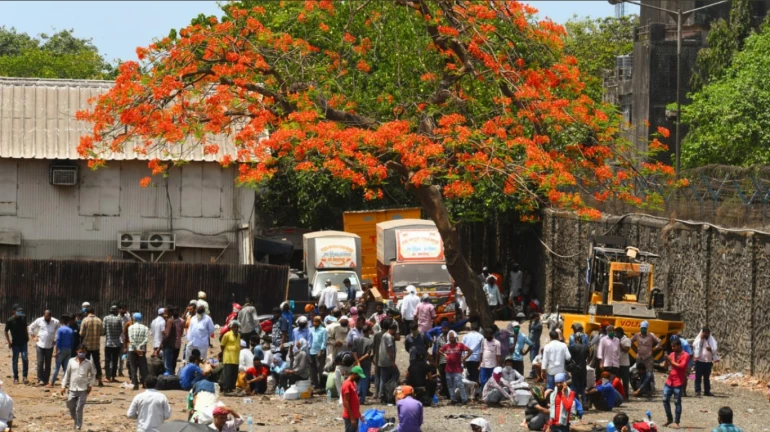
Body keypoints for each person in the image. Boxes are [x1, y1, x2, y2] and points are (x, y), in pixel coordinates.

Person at [61, 345, 96, 431]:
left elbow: (93, 374)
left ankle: (78, 426)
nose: (82, 353)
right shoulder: (71, 361)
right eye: (80, 352)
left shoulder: (89, 363)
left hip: (83, 389)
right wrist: (63, 386)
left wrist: (90, 385)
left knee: (79, 408)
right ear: (77, 351)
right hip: (72, 388)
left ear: (86, 353)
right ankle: (76, 420)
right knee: (70, 406)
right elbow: (67, 374)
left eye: (83, 352)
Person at [663, 337, 690, 429]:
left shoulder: (685, 355)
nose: (673, 348)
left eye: (674, 346)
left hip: (679, 381)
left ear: (679, 345)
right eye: (672, 347)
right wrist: (666, 361)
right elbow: (666, 367)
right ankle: (669, 418)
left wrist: (670, 361)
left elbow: (681, 366)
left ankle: (677, 422)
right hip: (670, 380)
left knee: (677, 402)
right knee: (665, 399)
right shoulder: (672, 354)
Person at [29, 309, 60, 386]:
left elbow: (59, 331)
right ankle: (40, 379)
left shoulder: (55, 322)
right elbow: (31, 327)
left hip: (50, 345)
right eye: (45, 317)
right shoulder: (39, 320)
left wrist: (56, 340)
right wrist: (33, 337)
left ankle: (46, 380)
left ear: (50, 316)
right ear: (44, 315)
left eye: (48, 317)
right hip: (40, 344)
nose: (46, 319)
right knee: (40, 362)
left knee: (48, 363)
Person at [440, 330, 471, 405]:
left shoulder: (460, 345)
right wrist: (445, 355)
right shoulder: (447, 346)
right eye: (450, 338)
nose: (451, 339)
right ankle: (453, 399)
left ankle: (464, 399)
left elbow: (470, 351)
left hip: (457, 369)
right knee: (450, 386)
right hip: (448, 369)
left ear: (455, 337)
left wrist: (464, 358)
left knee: (460, 384)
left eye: (452, 337)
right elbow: (440, 350)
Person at [79, 305, 104, 387]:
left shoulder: (85, 320)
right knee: (97, 362)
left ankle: (86, 380)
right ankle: (99, 380)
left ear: (86, 312)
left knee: (86, 362)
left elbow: (81, 333)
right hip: (96, 345)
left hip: (86, 345)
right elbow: (102, 333)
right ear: (94, 312)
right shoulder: (99, 320)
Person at [127, 312, 150, 391]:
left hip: (132, 349)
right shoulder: (146, 328)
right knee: (143, 367)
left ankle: (135, 385)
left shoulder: (130, 327)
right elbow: (146, 340)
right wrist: (140, 347)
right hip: (141, 350)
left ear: (134, 318)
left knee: (133, 368)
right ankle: (144, 383)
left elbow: (130, 339)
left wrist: (136, 347)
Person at [6, 304, 29, 384]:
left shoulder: (23, 317)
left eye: (20, 311)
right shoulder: (10, 320)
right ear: (13, 311)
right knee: (15, 360)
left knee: (25, 358)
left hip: (23, 342)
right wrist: (9, 342)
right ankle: (16, 377)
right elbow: (6, 331)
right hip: (15, 344)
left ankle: (25, 377)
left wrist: (27, 336)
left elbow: (25, 327)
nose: (19, 312)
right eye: (17, 311)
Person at [693, 326, 719, 397]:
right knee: (698, 377)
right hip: (700, 361)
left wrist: (710, 348)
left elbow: (715, 349)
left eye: (708, 333)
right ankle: (697, 391)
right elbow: (695, 345)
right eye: (705, 333)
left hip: (708, 362)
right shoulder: (699, 339)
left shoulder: (711, 340)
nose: (706, 335)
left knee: (707, 377)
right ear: (702, 333)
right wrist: (701, 338)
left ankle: (707, 391)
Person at [377, 322, 399, 402]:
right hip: (387, 361)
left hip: (382, 360)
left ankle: (381, 395)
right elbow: (389, 350)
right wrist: (392, 361)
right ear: (393, 329)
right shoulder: (389, 337)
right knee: (396, 373)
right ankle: (388, 387)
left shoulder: (384, 335)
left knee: (383, 378)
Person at [352, 324, 374, 404]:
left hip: (357, 363)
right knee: (364, 380)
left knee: (358, 381)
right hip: (366, 363)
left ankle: (356, 397)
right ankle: (362, 399)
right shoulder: (370, 341)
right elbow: (368, 354)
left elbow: (354, 351)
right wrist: (360, 361)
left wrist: (357, 361)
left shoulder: (356, 339)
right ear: (368, 331)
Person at [52, 315, 75, 386]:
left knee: (57, 367)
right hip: (69, 350)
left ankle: (52, 382)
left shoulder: (60, 330)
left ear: (62, 322)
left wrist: (56, 351)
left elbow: (58, 341)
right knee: (66, 367)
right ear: (68, 322)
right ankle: (64, 382)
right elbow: (72, 341)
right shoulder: (71, 330)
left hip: (61, 350)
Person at [568, 330, 589, 404]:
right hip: (583, 368)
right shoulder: (586, 347)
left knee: (574, 385)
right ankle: (584, 401)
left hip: (575, 369)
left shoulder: (572, 347)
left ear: (575, 339)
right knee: (582, 386)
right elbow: (587, 357)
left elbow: (570, 358)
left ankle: (576, 401)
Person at [102, 305, 123, 383]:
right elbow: (121, 330)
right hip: (117, 343)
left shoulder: (106, 318)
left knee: (107, 360)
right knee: (115, 360)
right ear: (115, 311)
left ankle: (108, 377)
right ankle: (113, 376)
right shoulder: (119, 319)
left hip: (108, 343)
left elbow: (103, 331)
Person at [342, 366, 366, 432]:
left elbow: (355, 402)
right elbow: (346, 402)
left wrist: (360, 416)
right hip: (349, 417)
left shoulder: (353, 383)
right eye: (359, 376)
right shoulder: (346, 384)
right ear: (354, 374)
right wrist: (352, 418)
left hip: (355, 416)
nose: (359, 378)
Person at [220, 321, 241, 392]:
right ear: (231, 327)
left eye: (236, 327)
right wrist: (224, 353)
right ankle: (226, 388)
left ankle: (231, 388)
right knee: (228, 373)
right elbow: (222, 345)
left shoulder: (238, 335)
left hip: (236, 358)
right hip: (228, 357)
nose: (235, 328)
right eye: (234, 327)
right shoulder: (227, 335)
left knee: (234, 373)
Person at [309, 316, 328, 390]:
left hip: (319, 352)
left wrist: (321, 350)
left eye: (316, 321)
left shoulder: (323, 330)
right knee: (312, 369)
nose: (314, 323)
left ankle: (322, 385)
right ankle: (315, 384)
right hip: (311, 351)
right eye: (314, 321)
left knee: (320, 369)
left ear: (320, 322)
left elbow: (324, 342)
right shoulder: (311, 330)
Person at [433, 321, 451, 399]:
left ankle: (451, 393)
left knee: (450, 378)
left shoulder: (452, 336)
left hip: (450, 361)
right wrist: (436, 363)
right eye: (442, 328)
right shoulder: (439, 337)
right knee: (443, 378)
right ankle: (447, 394)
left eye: (445, 328)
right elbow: (437, 351)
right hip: (442, 361)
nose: (443, 330)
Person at [159, 306, 178, 376]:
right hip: (169, 345)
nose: (164, 313)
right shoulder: (169, 320)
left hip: (168, 345)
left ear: (170, 312)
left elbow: (167, 335)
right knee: (167, 363)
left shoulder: (170, 321)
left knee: (167, 364)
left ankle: (168, 378)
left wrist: (162, 344)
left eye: (166, 312)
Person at [616, 327, 632, 400]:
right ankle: (618, 396)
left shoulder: (626, 340)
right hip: (618, 364)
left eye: (617, 333)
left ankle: (626, 396)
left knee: (625, 382)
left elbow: (626, 350)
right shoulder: (616, 340)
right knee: (617, 381)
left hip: (625, 364)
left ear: (620, 333)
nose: (615, 334)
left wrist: (620, 345)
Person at [118, 303, 132, 377]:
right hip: (117, 339)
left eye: (125, 309)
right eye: (123, 309)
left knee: (122, 357)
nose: (125, 310)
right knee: (115, 357)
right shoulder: (117, 318)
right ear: (120, 309)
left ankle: (120, 371)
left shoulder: (127, 318)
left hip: (123, 339)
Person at [528, 313, 543, 378]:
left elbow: (531, 327)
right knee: (532, 358)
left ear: (537, 317)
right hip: (531, 343)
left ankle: (534, 373)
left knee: (533, 359)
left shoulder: (539, 325)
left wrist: (531, 322)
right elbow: (530, 330)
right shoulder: (533, 323)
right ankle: (534, 373)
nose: (533, 319)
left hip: (535, 344)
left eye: (534, 318)